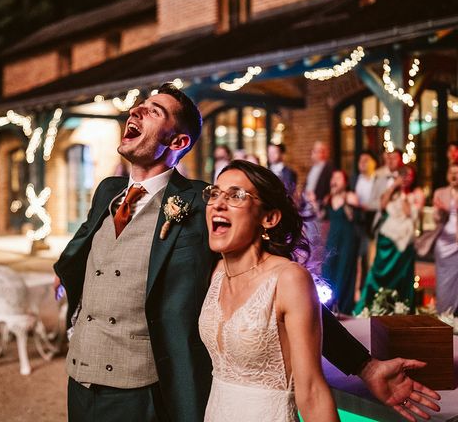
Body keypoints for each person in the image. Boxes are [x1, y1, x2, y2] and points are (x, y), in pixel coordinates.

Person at [54, 83, 440, 422]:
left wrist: (365, 364)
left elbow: (274, 289)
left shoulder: (202, 205)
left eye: (153, 111)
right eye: (139, 106)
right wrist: (64, 274)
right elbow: (81, 247)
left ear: (178, 143)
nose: (136, 110)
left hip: (142, 390)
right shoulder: (107, 192)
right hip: (79, 381)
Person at [199, 160, 338, 421]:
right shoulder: (217, 273)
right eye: (215, 193)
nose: (217, 203)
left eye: (236, 196)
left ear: (269, 218)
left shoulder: (289, 279)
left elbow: (312, 391)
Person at [356, 165, 425, 313]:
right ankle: (375, 305)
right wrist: (395, 186)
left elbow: (409, 213)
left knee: (403, 276)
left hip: (404, 242)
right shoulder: (392, 190)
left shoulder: (416, 193)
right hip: (387, 239)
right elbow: (382, 205)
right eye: (403, 175)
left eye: (409, 175)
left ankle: (401, 307)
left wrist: (404, 194)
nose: (406, 178)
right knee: (378, 272)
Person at [322, 170, 359, 315]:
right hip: (333, 236)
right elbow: (322, 217)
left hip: (347, 237)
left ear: (345, 182)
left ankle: (343, 305)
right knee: (329, 268)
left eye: (338, 178)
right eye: (333, 177)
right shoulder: (329, 198)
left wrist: (345, 201)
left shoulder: (350, 196)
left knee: (344, 268)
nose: (334, 180)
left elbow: (353, 216)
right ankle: (329, 303)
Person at [432, 164, 458, 314]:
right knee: (444, 282)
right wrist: (440, 210)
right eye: (452, 172)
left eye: (457, 173)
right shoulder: (440, 192)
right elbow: (435, 219)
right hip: (444, 243)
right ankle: (444, 313)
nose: (454, 176)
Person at [352, 151, 378, 290]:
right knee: (358, 261)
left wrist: (365, 206)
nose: (362, 163)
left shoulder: (377, 179)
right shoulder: (355, 179)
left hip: (371, 226)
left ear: (374, 162)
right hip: (356, 225)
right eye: (360, 160)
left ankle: (369, 290)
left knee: (370, 260)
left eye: (366, 160)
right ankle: (359, 291)